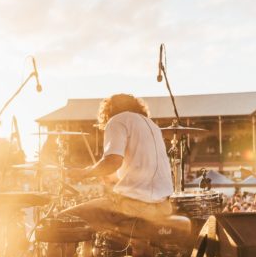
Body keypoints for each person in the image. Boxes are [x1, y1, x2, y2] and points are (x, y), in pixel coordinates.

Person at [65, 93, 174, 230]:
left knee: (66, 219)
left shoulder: (117, 120)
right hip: (163, 205)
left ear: (108, 110)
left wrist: (83, 173)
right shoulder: (153, 126)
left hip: (136, 204)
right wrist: (112, 177)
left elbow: (112, 162)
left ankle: (83, 251)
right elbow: (141, 167)